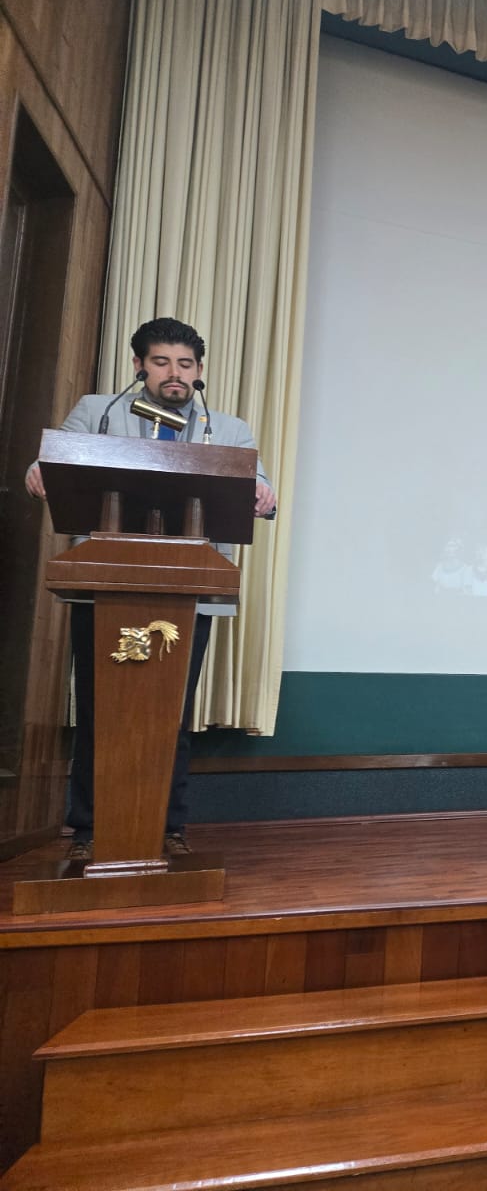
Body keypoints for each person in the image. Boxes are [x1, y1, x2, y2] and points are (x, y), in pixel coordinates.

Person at [25, 317, 276, 859]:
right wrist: (37, 470)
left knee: (171, 715)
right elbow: (54, 460)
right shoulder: (101, 412)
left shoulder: (225, 428)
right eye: (162, 362)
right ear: (140, 365)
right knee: (99, 712)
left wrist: (262, 490)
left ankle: (168, 827)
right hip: (105, 587)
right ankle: (89, 830)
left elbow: (256, 479)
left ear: (199, 370)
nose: (174, 374)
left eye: (185, 364)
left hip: (190, 591)